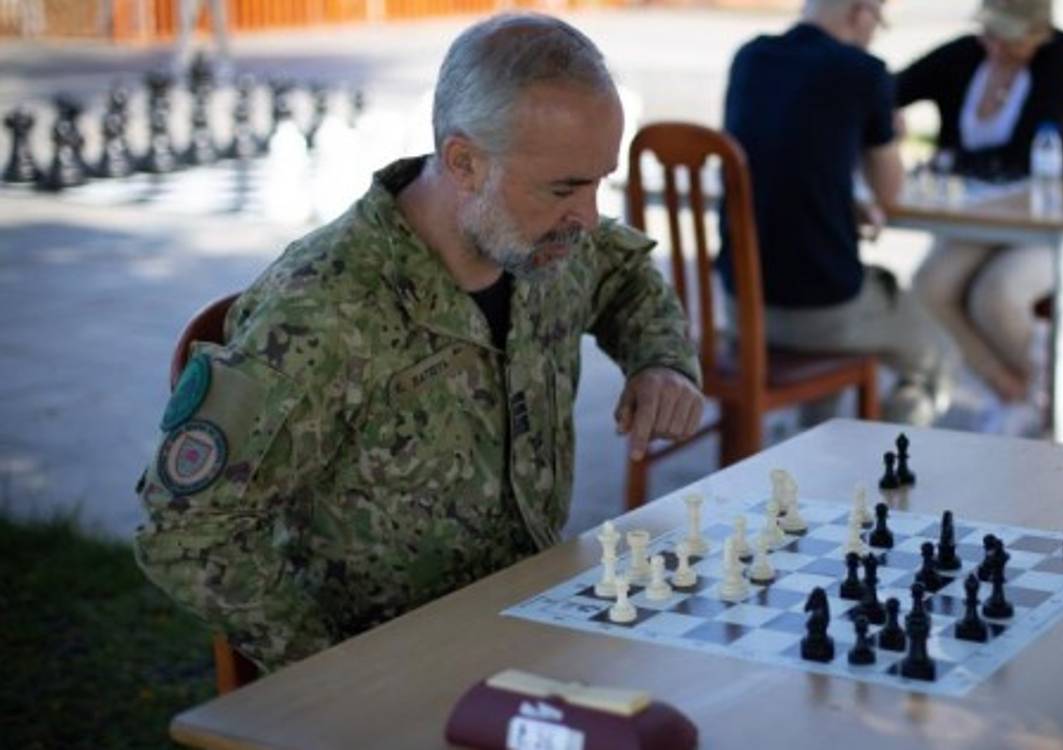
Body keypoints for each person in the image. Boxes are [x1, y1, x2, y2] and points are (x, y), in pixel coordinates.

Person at [133, 14, 703, 672]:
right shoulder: (323, 311)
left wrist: (661, 361)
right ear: (464, 162)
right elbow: (187, 528)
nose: (589, 215)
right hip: (394, 674)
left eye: (600, 180)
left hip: (537, 628)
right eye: (564, 188)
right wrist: (329, 673)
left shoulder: (548, 243)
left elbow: (625, 277)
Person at [721, 0, 958, 427]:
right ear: (859, 12)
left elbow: (778, 161)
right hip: (822, 310)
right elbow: (890, 193)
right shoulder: (863, 71)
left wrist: (842, 201)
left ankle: (813, 442)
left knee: (843, 309)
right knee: (936, 354)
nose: (876, 31)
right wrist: (892, 131)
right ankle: (892, 453)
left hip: (740, 306)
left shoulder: (750, 58)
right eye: (879, 20)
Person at [894, 0, 1063, 428]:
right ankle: (1010, 388)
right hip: (980, 222)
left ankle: (1040, 393)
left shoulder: (1060, 56)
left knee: (994, 295)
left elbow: (1024, 153)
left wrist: (950, 162)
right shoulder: (966, 54)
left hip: (1043, 222)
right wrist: (885, 119)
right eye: (990, 33)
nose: (996, 46)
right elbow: (886, 89)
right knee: (928, 287)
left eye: (1010, 38)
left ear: (1039, 35)